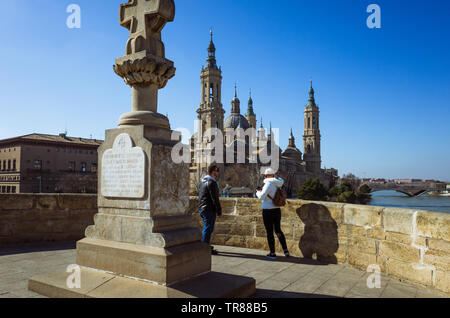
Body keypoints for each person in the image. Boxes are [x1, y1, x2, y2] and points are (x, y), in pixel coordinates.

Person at [256, 168, 290, 260]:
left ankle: (272, 253)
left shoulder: (268, 183)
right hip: (277, 209)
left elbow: (262, 197)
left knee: (270, 232)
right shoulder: (278, 183)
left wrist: (258, 192)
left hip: (268, 210)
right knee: (278, 230)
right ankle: (285, 250)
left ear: (266, 176)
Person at [198, 164, 222, 255]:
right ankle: (205, 247)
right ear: (213, 171)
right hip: (208, 209)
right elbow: (214, 198)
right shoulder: (212, 182)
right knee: (208, 228)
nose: (217, 172)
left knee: (207, 228)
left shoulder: (203, 181)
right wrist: (219, 210)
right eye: (216, 170)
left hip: (202, 208)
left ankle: (206, 245)